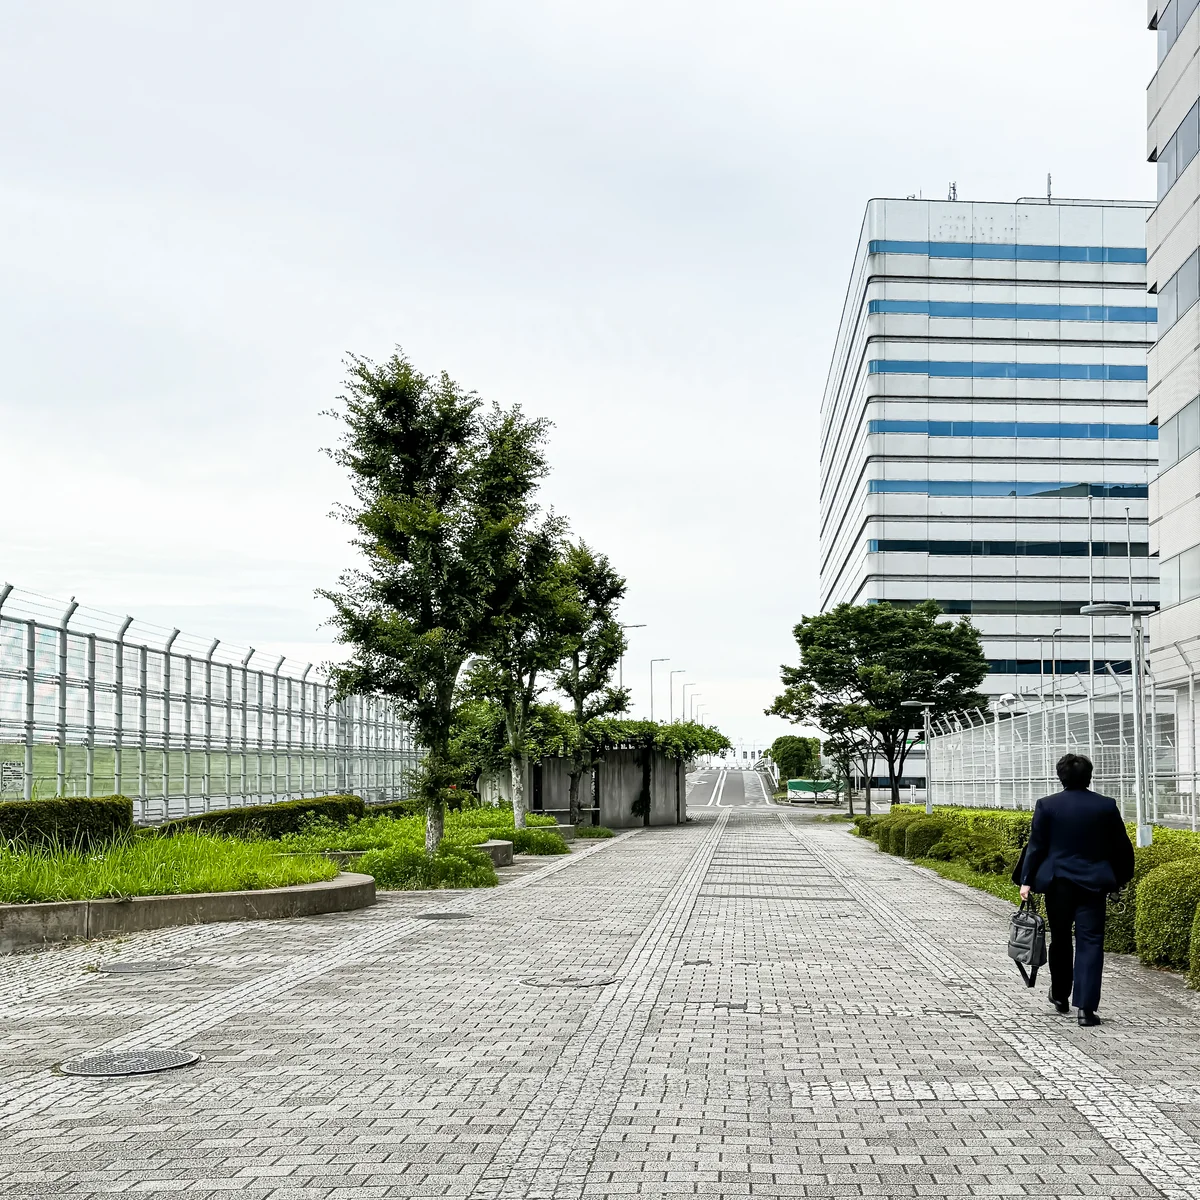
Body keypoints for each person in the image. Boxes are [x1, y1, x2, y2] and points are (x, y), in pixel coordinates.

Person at [1018, 753, 1134, 1026]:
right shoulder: (1105, 806)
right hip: (1093, 884)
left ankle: (1059, 996)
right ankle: (1086, 1009)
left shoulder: (1047, 805)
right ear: (1089, 776)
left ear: (1061, 776)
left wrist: (1027, 880)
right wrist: (1120, 878)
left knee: (1059, 939)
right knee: (1091, 942)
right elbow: (1121, 846)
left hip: (1058, 884)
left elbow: (1036, 846)